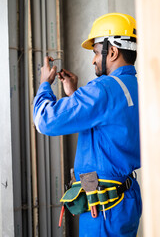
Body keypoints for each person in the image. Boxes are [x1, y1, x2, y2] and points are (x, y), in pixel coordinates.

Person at [33, 13, 142, 237]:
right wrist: (75, 94)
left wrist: (45, 84)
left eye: (95, 52)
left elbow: (45, 121)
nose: (93, 60)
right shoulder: (136, 87)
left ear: (112, 51)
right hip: (125, 202)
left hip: (103, 211)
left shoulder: (102, 89)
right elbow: (109, 127)